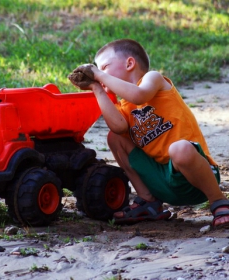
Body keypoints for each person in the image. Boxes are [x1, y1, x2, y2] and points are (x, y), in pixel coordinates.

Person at [68, 38, 229, 228]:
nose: (98, 74)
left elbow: (139, 95)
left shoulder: (153, 79)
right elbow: (118, 128)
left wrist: (97, 74)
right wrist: (96, 88)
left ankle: (218, 201)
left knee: (180, 149)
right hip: (162, 182)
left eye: (103, 67)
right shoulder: (123, 107)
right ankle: (148, 202)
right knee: (114, 138)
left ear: (129, 63)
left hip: (196, 178)